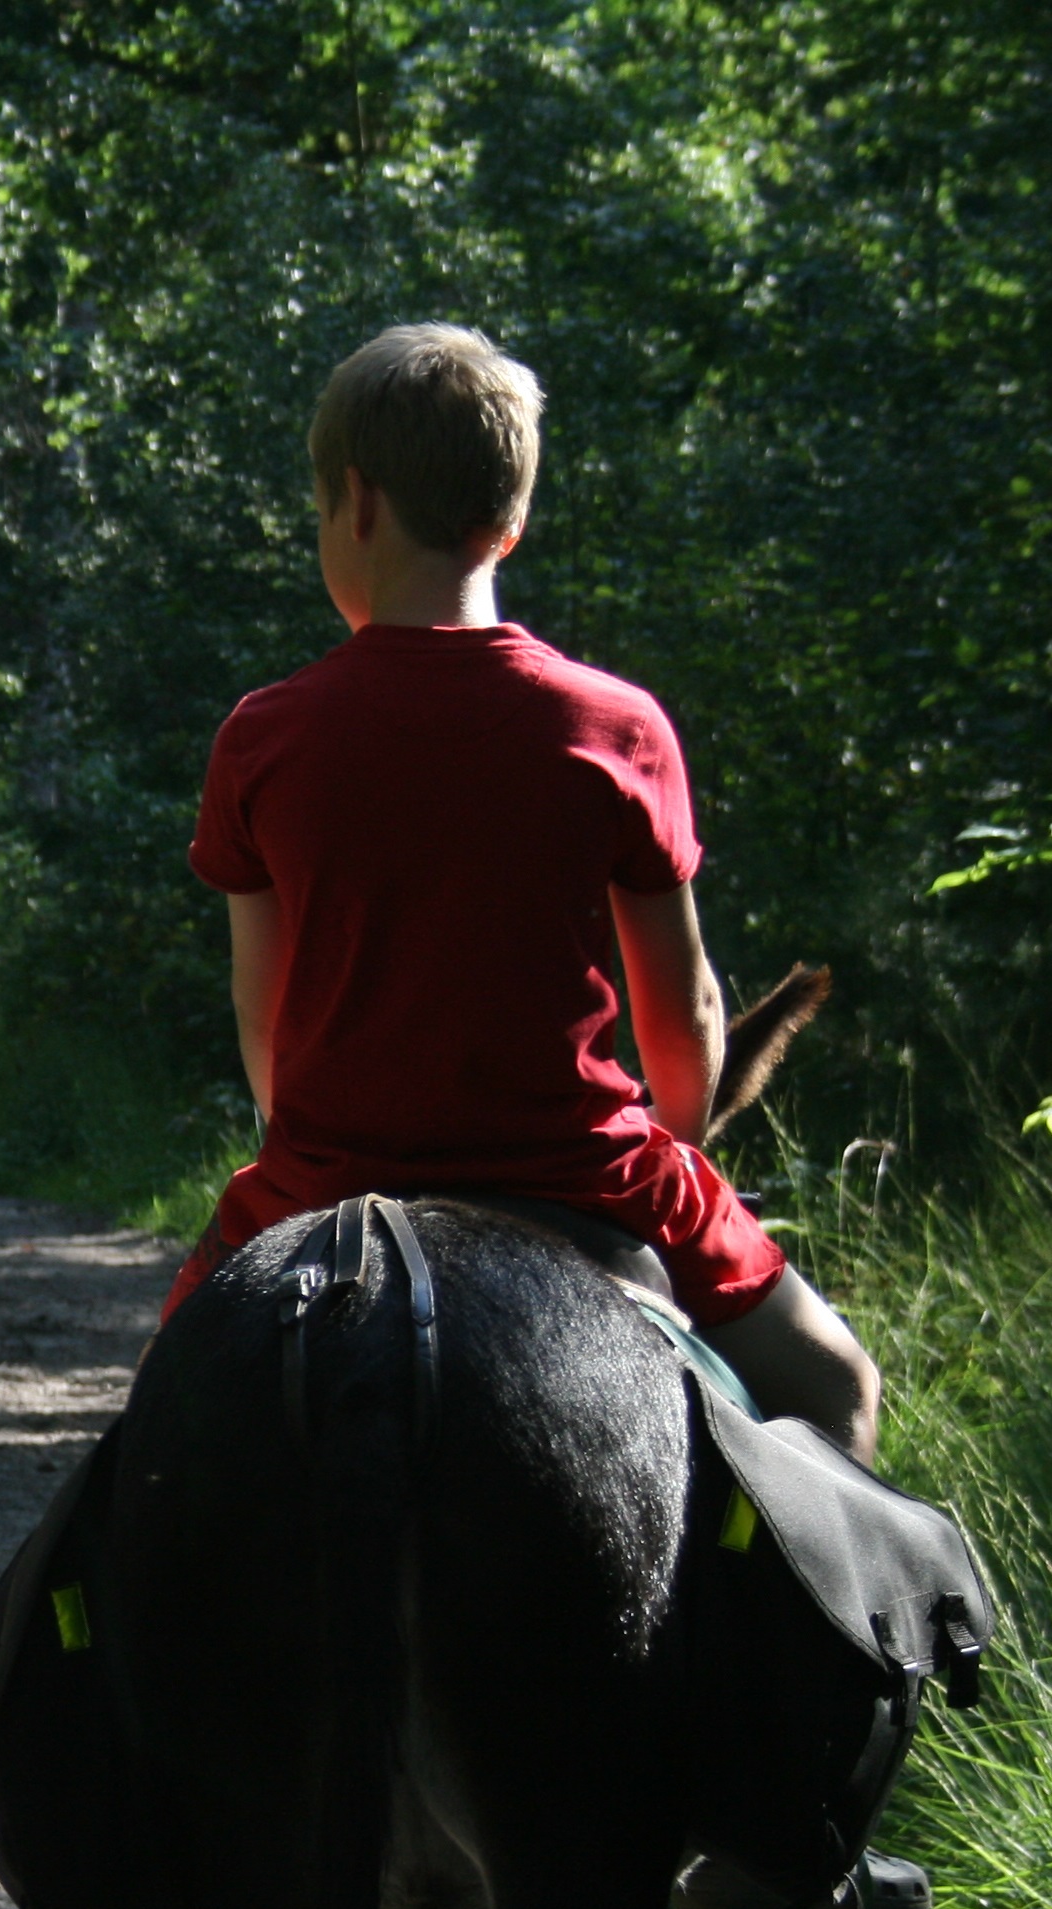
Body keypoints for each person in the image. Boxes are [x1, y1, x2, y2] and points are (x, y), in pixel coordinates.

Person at [174, 321, 883, 1465]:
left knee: (157, 1432)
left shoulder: (262, 739)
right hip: (588, 1175)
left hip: (327, 1180)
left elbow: (268, 1039)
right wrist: (680, 1152)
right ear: (510, 520)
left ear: (354, 502)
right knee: (840, 1385)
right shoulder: (617, 726)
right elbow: (687, 1019)